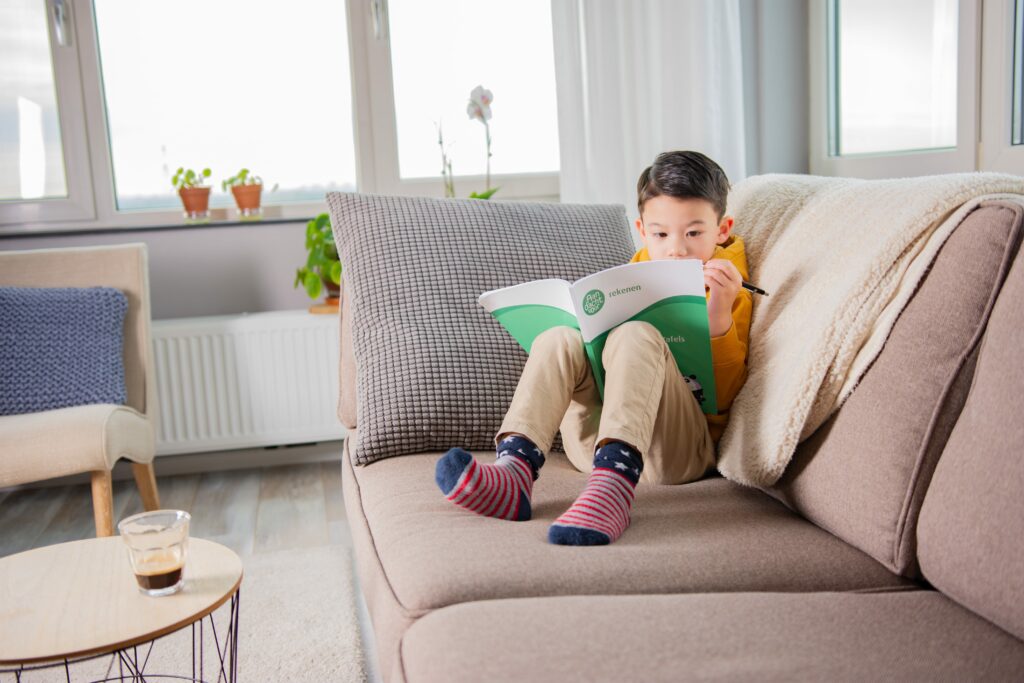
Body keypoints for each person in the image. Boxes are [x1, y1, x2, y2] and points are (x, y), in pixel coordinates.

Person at [435, 150, 752, 546]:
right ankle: (515, 470)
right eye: (660, 234)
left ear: (722, 229)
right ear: (640, 229)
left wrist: (719, 312)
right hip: (593, 445)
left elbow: (722, 399)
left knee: (636, 334)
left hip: (678, 452)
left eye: (693, 233)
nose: (676, 249)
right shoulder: (634, 273)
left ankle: (615, 491)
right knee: (558, 337)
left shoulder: (730, 284)